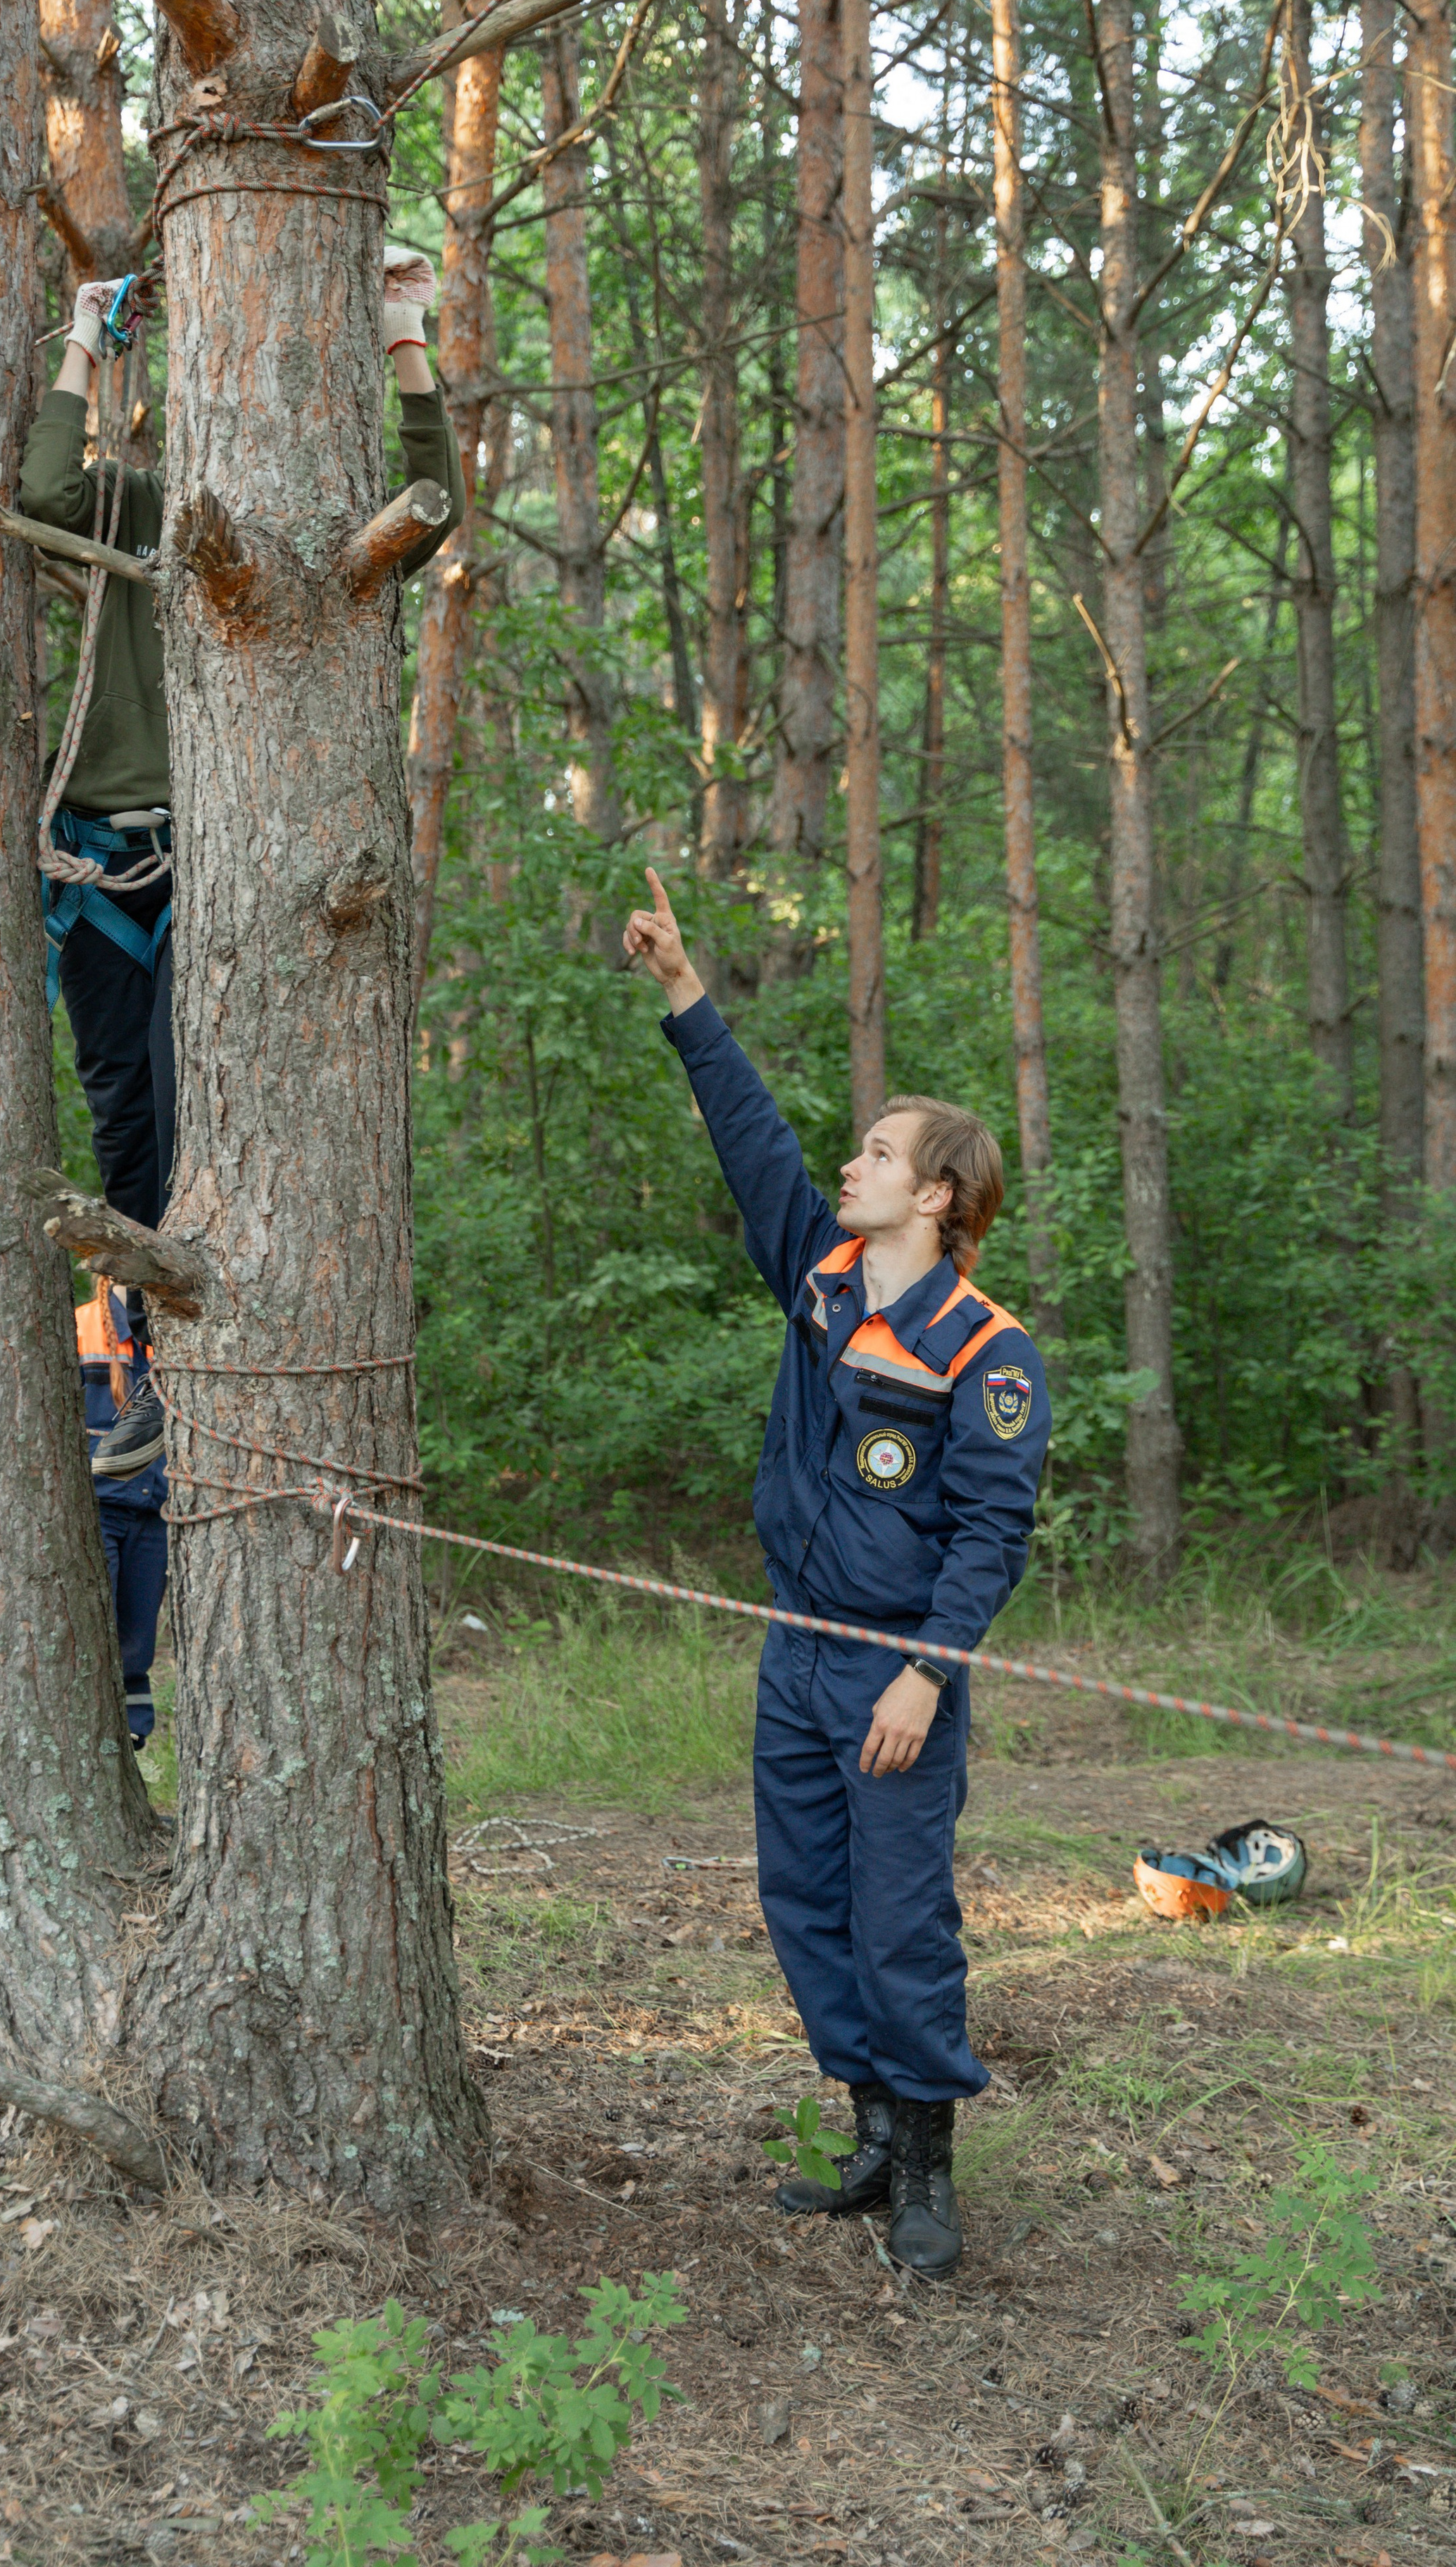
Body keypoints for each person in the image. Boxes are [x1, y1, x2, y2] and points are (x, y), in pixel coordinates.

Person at [623, 870, 1051, 2280]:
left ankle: (929, 2170)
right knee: (801, 1903)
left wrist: (927, 1676)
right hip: (789, 1647)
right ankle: (868, 2135)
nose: (846, 1167)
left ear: (933, 1193)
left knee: (897, 1920)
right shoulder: (816, 1280)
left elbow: (989, 1538)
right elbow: (751, 1148)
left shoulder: (982, 1352)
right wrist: (684, 992)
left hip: (891, 1671)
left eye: (874, 1155)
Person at [21, 251, 463, 1479]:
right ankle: (157, 1367)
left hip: (229, 862)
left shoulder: (331, 534)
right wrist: (84, 345)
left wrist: (400, 334)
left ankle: (212, 1374)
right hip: (108, 864)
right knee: (129, 1127)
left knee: (217, 1124)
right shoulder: (147, 512)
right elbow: (47, 480)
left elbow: (432, 500)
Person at [75, 1273, 167, 1749]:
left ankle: (129, 1746)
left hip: (156, 1512)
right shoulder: (78, 1327)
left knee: (138, 1636)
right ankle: (85, 1737)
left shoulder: (170, 1331)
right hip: (98, 1509)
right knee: (94, 1625)